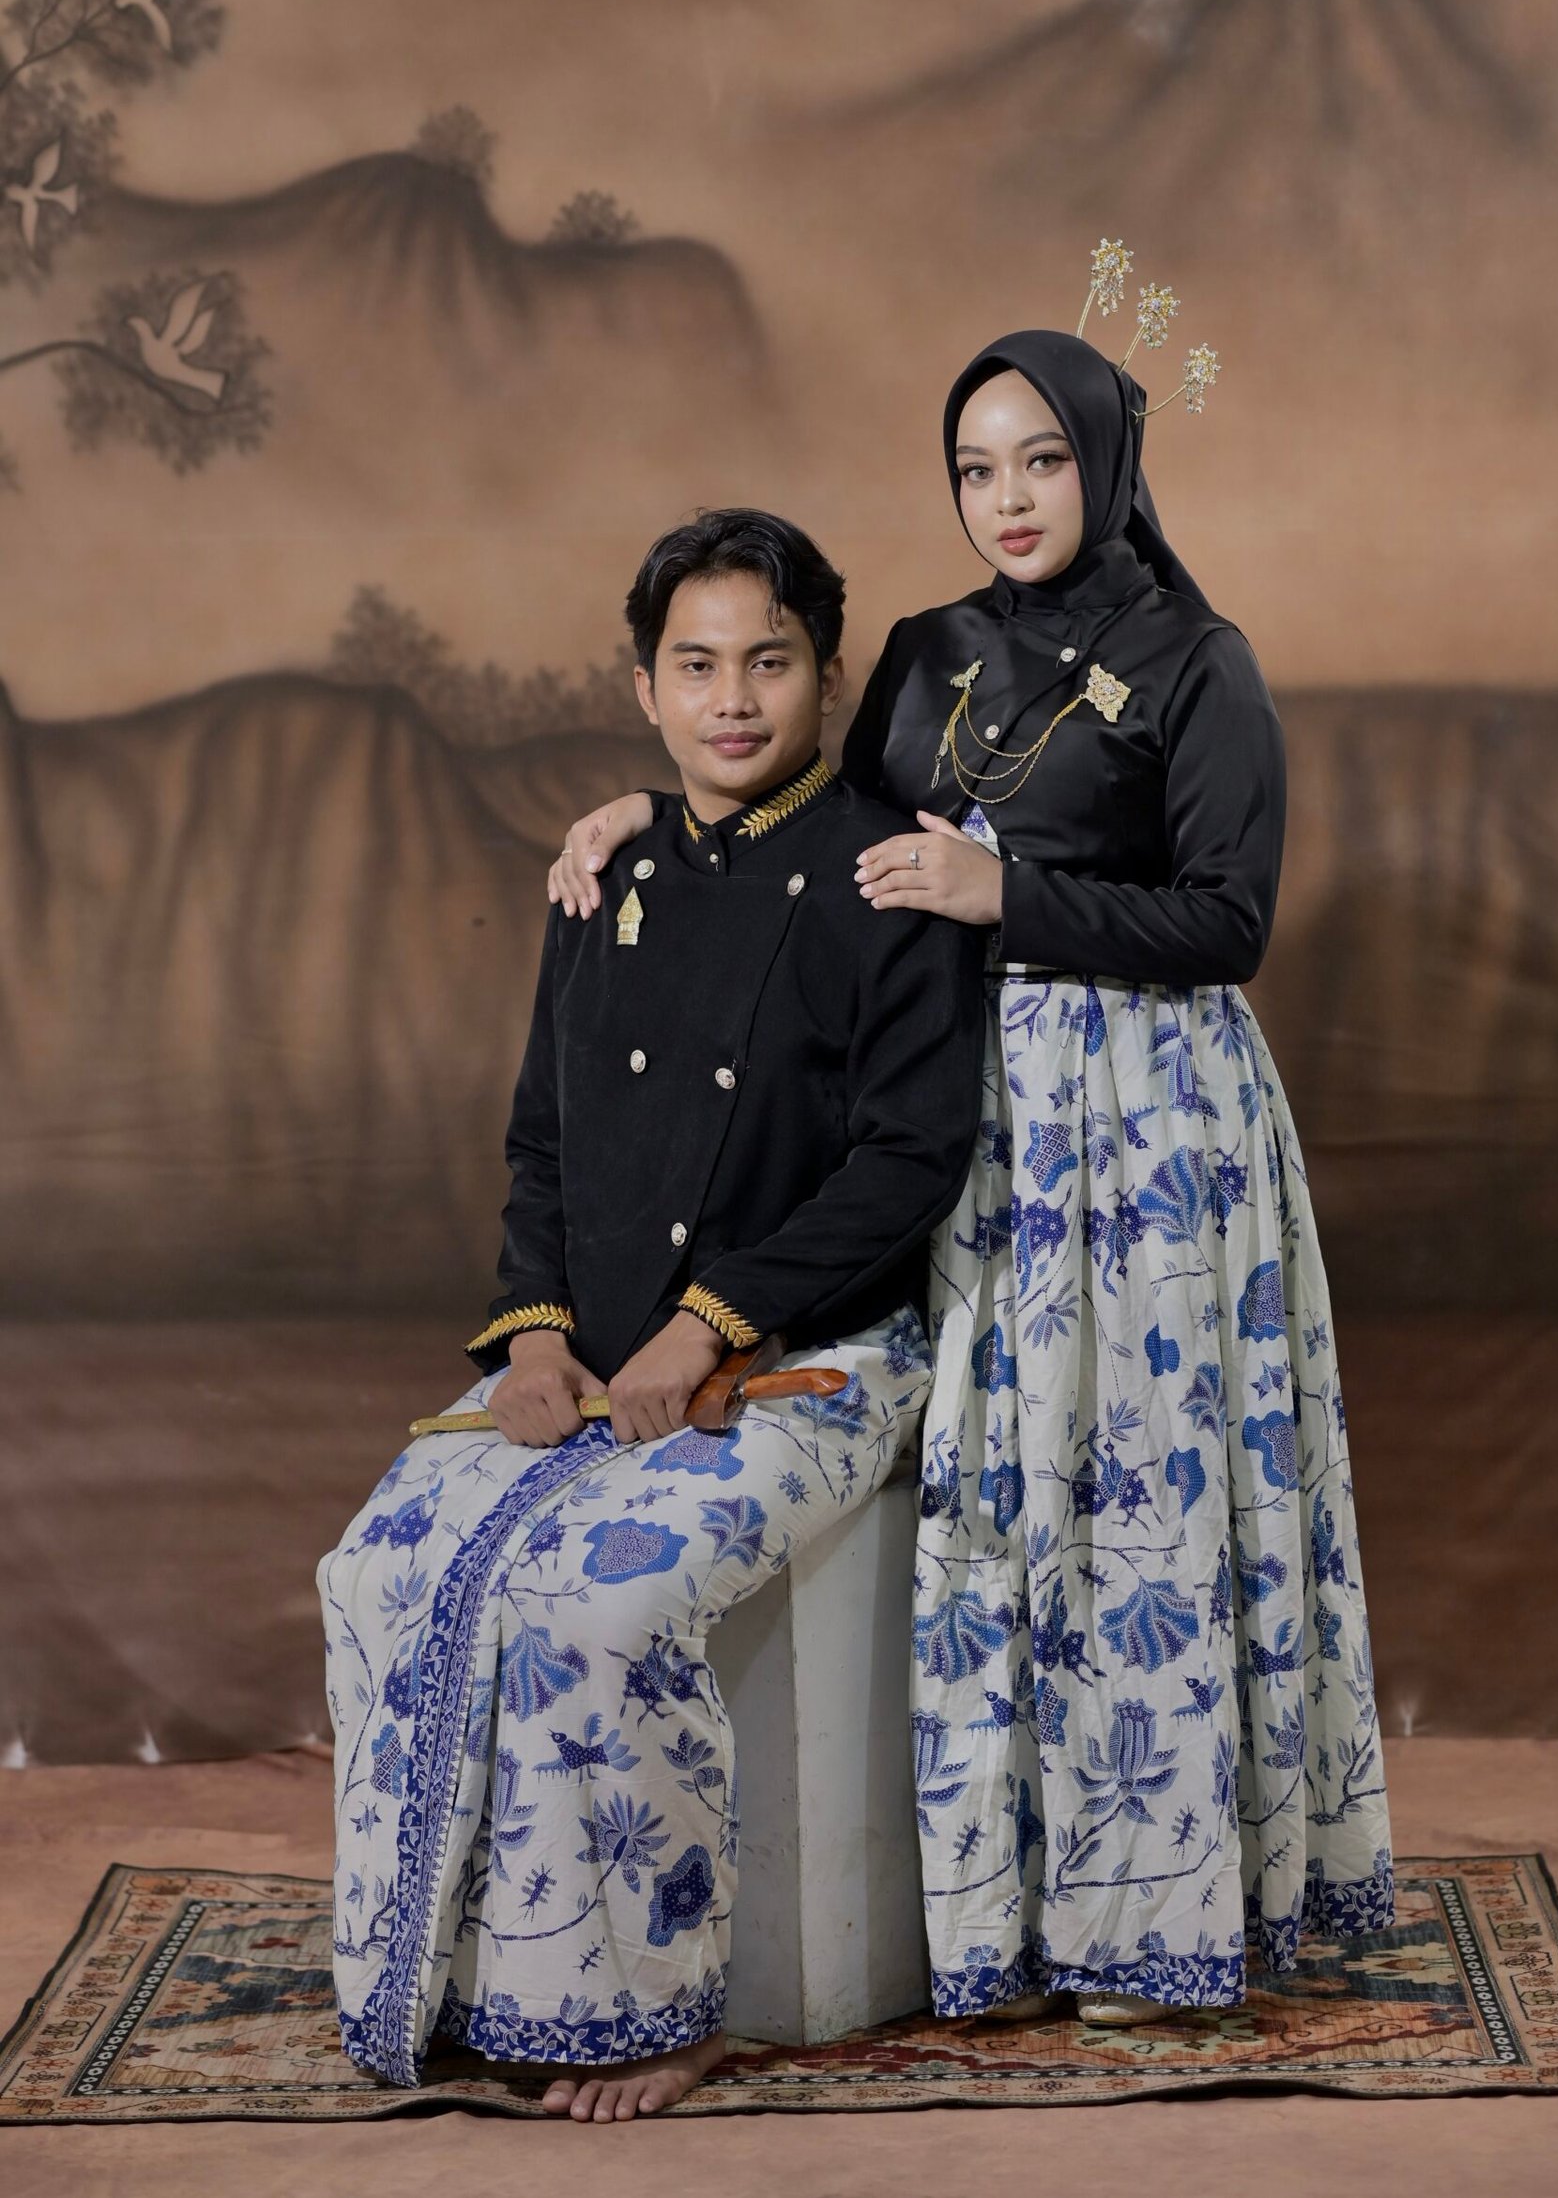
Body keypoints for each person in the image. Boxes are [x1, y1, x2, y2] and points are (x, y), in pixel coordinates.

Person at [549, 312, 1395, 2030]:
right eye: (974, 468)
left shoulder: (1198, 659)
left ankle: (1156, 1918)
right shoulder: (931, 651)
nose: (1007, 499)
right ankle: (997, 1911)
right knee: (994, 1508)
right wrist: (649, 814)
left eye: (1042, 461)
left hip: (1148, 1136)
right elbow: (820, 824)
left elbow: (1229, 922)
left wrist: (1011, 896)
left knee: (1138, 1508)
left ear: (1109, 461)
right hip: (954, 1113)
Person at [319, 507, 983, 2119]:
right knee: (378, 1563)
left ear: (829, 674)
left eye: (769, 661)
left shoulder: (890, 874)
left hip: (820, 1360)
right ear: (644, 689)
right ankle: (455, 1976)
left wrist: (713, 1323)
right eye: (696, 666)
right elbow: (542, 1143)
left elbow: (909, 1162)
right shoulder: (603, 873)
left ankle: (653, 2010)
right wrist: (537, 1334)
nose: (732, 699)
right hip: (595, 1355)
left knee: (595, 1605)